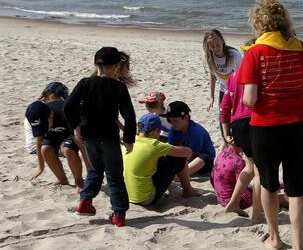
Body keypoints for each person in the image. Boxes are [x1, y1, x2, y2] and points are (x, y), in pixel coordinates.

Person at [239, 0, 303, 250]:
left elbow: (248, 99)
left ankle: (275, 237)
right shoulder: (300, 47)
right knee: (297, 189)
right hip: (297, 125)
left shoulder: (254, 53)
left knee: (268, 185)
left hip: (265, 126)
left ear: (258, 23)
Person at [65, 46, 136, 227]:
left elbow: (68, 106)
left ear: (95, 63)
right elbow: (129, 115)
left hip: (89, 136)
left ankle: (85, 202)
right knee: (114, 175)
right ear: (116, 67)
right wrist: (129, 139)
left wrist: (75, 126)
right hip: (109, 138)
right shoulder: (118, 87)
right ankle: (119, 214)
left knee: (95, 170)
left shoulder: (85, 83)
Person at [212, 136, 303, 214]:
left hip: (221, 198)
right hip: (236, 201)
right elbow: (246, 186)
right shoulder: (238, 162)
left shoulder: (221, 155)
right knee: (280, 198)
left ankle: (292, 185)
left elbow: (212, 178)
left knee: (273, 185)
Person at [220, 63, 263, 220]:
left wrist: (226, 133)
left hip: (237, 125)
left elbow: (224, 107)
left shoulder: (232, 76)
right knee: (260, 172)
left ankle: (233, 203)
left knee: (250, 167)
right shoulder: (256, 71)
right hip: (253, 122)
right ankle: (257, 216)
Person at [123, 114, 193, 205]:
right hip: (146, 198)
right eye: (159, 131)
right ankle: (188, 191)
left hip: (126, 195)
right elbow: (188, 152)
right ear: (155, 131)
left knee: (153, 159)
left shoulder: (129, 141)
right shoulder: (154, 145)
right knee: (178, 158)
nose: (159, 134)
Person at [27, 82, 86, 190]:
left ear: (51, 115)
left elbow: (80, 143)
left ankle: (79, 181)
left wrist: (90, 169)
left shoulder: (66, 113)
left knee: (68, 149)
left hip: (73, 129)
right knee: (45, 149)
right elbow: (39, 142)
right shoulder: (40, 114)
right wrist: (41, 167)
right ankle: (62, 179)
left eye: (45, 125)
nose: (44, 129)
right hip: (58, 128)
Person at [203, 29, 243, 136]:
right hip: (224, 89)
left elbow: (244, 74)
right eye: (212, 46)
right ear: (208, 47)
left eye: (217, 44)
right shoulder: (209, 58)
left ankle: (237, 138)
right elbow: (212, 76)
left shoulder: (234, 55)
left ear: (222, 41)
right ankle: (226, 140)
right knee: (223, 115)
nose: (216, 48)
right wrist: (211, 97)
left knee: (237, 115)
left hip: (237, 89)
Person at [163, 101, 216, 178]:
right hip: (184, 158)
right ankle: (178, 174)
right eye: (169, 120)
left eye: (175, 120)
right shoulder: (174, 129)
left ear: (186, 118)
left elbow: (193, 154)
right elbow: (172, 147)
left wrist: (181, 165)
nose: (172, 123)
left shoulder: (195, 131)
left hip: (202, 163)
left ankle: (180, 175)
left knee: (203, 157)